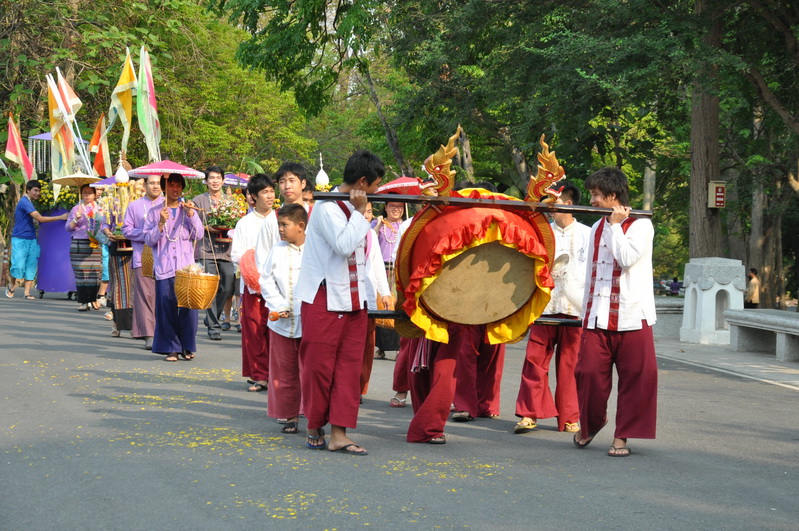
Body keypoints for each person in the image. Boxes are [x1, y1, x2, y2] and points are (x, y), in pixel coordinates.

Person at [295, 150, 385, 455]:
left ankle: (339, 434)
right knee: (319, 368)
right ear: (362, 182)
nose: (374, 194)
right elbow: (345, 246)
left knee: (349, 369)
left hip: (355, 301)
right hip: (324, 298)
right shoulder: (325, 207)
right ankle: (314, 425)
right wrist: (360, 213)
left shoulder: (352, 207)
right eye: (374, 187)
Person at [573, 167, 657, 458]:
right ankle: (592, 423)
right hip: (598, 316)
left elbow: (627, 259)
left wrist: (616, 226)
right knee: (587, 374)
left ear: (612, 195)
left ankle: (622, 437)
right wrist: (584, 315)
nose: (592, 201)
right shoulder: (597, 227)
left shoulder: (641, 225)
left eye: (596, 195)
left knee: (637, 378)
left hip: (633, 316)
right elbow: (591, 276)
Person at [514, 181, 591, 434]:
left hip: (575, 308)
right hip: (544, 306)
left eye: (554, 203)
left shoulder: (588, 234)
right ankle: (528, 414)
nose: (549, 208)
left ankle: (570, 416)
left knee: (571, 365)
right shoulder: (540, 232)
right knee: (535, 360)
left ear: (568, 204)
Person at [144, 173, 203, 361]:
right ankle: (171, 347)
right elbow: (148, 239)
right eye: (171, 186)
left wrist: (192, 215)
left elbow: (199, 235)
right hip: (165, 267)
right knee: (166, 308)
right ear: (164, 188)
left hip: (186, 269)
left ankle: (187, 346)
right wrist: (160, 223)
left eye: (178, 186)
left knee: (189, 309)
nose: (175, 189)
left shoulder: (189, 209)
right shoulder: (155, 212)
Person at [260, 203, 307, 433]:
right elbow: (265, 280)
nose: (280, 229)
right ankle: (289, 415)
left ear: (300, 226)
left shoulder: (314, 249)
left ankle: (311, 411)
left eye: (284, 224)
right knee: (284, 371)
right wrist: (279, 305)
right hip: (281, 321)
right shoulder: (277, 250)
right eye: (279, 224)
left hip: (309, 321)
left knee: (309, 370)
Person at [231, 174, 275, 392]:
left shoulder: (281, 219)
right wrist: (252, 265)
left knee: (277, 331)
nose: (269, 196)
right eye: (264, 192)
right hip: (253, 287)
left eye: (271, 191)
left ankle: (278, 373)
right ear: (253, 197)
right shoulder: (245, 223)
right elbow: (237, 254)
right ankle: (260, 375)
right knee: (255, 331)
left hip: (278, 287)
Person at [5, 180, 68, 300]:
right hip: (19, 238)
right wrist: (61, 217)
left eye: (39, 191)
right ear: (28, 190)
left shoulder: (32, 202)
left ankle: (27, 292)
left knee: (31, 265)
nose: (37, 193)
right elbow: (40, 218)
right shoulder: (24, 202)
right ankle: (12, 284)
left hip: (32, 238)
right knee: (18, 265)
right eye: (35, 190)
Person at [193, 165, 235, 340]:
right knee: (211, 288)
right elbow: (193, 225)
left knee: (227, 286)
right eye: (211, 178)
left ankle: (213, 318)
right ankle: (213, 327)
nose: (215, 181)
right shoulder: (198, 201)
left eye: (218, 177)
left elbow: (235, 223)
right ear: (206, 181)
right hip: (207, 250)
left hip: (226, 249)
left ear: (223, 181)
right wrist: (207, 227)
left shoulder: (231, 201)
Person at [122, 175, 164, 350]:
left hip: (166, 257)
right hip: (143, 256)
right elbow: (126, 230)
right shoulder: (135, 206)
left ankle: (163, 331)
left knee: (163, 296)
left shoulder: (170, 204)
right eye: (152, 183)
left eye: (158, 183)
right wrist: (147, 235)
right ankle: (149, 333)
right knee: (146, 295)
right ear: (145, 186)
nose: (155, 186)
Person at [371, 201, 404, 359]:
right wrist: (377, 224)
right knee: (381, 306)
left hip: (397, 271)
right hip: (381, 270)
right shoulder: (378, 224)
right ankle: (381, 347)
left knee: (397, 306)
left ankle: (398, 347)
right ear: (386, 207)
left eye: (399, 206)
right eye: (392, 206)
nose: (396, 209)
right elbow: (370, 240)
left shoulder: (405, 226)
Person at [65, 184, 104, 311]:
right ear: (81, 194)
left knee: (94, 273)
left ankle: (92, 299)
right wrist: (76, 219)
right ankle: (83, 301)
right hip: (79, 244)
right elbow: (68, 228)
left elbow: (105, 225)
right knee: (81, 273)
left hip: (94, 243)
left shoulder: (100, 208)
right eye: (84, 192)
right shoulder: (76, 208)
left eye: (90, 192)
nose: (87, 195)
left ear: (94, 194)